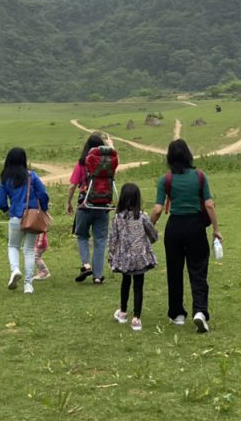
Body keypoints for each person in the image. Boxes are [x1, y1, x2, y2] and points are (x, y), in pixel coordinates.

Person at [149, 138, 222, 333]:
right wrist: (216, 229)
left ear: (170, 158)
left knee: (174, 271)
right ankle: (200, 311)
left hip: (174, 228)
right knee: (198, 270)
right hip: (195, 227)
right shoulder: (199, 176)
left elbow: (157, 210)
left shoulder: (165, 180)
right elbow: (209, 205)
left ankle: (177, 314)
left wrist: (148, 229)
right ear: (188, 154)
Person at [0, 146, 49, 294]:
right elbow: (43, 194)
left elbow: (0, 201)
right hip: (32, 217)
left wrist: (7, 210)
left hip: (15, 216)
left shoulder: (5, 178)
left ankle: (15, 270)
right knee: (29, 250)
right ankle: (28, 284)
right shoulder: (32, 176)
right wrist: (43, 209)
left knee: (13, 246)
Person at [67, 132, 119, 284]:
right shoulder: (109, 164)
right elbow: (117, 160)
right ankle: (97, 276)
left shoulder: (82, 163)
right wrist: (111, 146)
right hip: (103, 205)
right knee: (101, 240)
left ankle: (86, 264)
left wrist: (68, 203)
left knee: (82, 235)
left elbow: (72, 186)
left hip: (85, 204)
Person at [109, 183, 159, 332]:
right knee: (138, 286)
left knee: (125, 282)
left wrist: (111, 256)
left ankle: (123, 312)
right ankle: (136, 318)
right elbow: (153, 234)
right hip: (140, 258)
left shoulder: (117, 218)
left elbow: (112, 239)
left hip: (124, 258)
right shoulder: (142, 216)